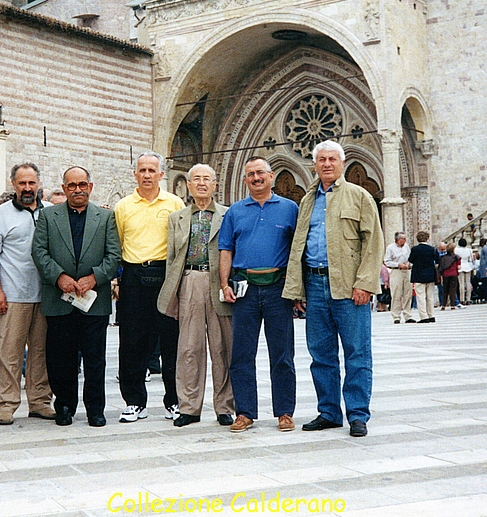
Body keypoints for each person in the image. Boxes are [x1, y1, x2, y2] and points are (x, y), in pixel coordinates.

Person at [282, 141, 383, 438]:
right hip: (314, 285)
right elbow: (298, 245)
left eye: (332, 159)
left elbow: (373, 243)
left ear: (341, 163)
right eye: (321, 159)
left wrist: (365, 283)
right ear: (315, 164)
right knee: (321, 354)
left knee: (357, 354)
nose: (327, 164)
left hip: (349, 287)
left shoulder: (359, 196)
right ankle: (328, 412)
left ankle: (357, 414)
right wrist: (297, 289)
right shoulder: (308, 201)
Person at [32, 165, 120, 427]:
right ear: (64, 188)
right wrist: (59, 277)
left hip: (94, 300)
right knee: (61, 358)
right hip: (59, 299)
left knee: (95, 358)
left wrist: (94, 277)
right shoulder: (48, 216)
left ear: (90, 187)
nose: (77, 190)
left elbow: (114, 256)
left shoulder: (105, 218)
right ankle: (65, 406)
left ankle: (95, 408)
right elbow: (39, 252)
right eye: (72, 185)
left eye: (82, 184)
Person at [219, 157, 299, 432]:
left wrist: (296, 287)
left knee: (283, 353)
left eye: (260, 173)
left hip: (278, 289)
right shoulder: (234, 212)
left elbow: (297, 249)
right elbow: (226, 250)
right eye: (251, 174)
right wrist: (224, 284)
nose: (256, 177)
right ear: (244, 180)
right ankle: (245, 413)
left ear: (271, 175)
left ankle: (285, 412)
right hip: (245, 289)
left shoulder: (290, 209)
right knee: (241, 353)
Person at [157, 163, 235, 428]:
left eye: (207, 179)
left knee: (222, 346)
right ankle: (189, 407)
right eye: (196, 179)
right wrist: (175, 292)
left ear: (215, 185)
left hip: (218, 282)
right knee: (189, 348)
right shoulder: (177, 218)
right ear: (188, 186)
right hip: (189, 280)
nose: (201, 183)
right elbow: (171, 258)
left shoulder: (228, 214)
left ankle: (224, 406)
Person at [113, 152, 185, 423]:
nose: (146, 175)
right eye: (142, 170)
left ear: (161, 174)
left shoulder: (175, 203)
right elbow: (118, 245)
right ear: (135, 174)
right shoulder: (123, 207)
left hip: (166, 275)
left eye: (151, 170)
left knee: (171, 341)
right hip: (134, 276)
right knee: (132, 341)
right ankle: (134, 402)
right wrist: (118, 280)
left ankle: (174, 401)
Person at [0, 163, 55, 426]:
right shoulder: (0, 215)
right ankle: (6, 404)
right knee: (8, 354)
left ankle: (39, 402)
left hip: (45, 296)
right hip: (12, 295)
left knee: (41, 353)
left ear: (39, 184)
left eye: (32, 183)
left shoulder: (50, 212)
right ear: (13, 184)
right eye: (22, 183)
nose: (27, 188)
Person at [407, 231, 439, 323]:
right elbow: (437, 260)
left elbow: (411, 260)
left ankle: (424, 316)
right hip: (430, 275)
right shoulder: (432, 249)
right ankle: (431, 315)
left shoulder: (415, 249)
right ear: (427, 238)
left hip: (418, 275)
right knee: (430, 296)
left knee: (420, 296)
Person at [383, 232, 412, 323]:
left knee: (408, 293)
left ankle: (408, 315)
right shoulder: (390, 248)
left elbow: (410, 257)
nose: (405, 240)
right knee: (396, 293)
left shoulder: (406, 246)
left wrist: (408, 263)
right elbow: (387, 261)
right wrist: (398, 264)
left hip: (407, 271)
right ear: (398, 239)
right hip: (396, 271)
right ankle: (396, 316)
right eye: (403, 238)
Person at [438, 242, 461, 310]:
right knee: (452, 290)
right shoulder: (456, 257)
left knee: (445, 290)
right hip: (453, 274)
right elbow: (459, 267)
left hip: (445, 274)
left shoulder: (443, 257)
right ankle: (452, 305)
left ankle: (443, 305)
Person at [455, 238, 474, 305]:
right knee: (468, 283)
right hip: (467, 265)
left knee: (461, 283)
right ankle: (468, 299)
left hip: (460, 265)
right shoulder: (469, 250)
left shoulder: (456, 250)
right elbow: (471, 259)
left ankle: (462, 299)